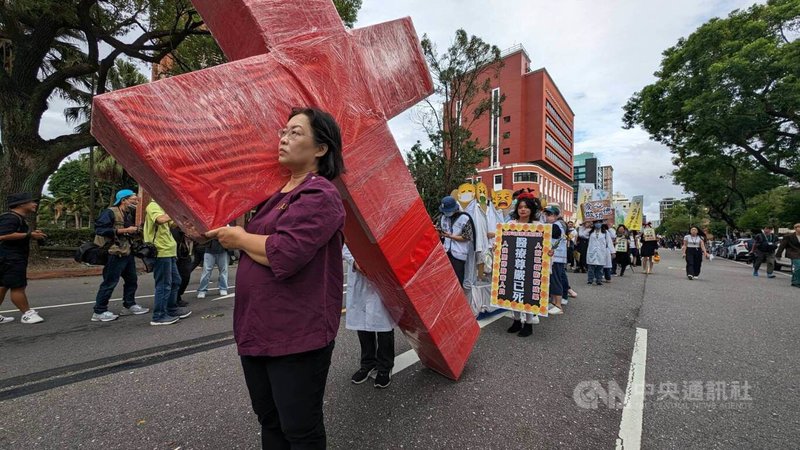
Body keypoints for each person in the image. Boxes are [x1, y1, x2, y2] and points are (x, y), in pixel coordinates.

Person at [206, 107, 346, 449]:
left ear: (321, 149)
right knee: (269, 420)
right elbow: (265, 247)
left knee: (299, 428)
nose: (284, 139)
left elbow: (285, 252)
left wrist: (239, 238)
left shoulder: (321, 195)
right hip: (257, 328)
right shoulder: (273, 196)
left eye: (295, 132)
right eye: (282, 132)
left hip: (297, 334)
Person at [91, 189, 149, 322]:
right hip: (114, 253)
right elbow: (100, 230)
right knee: (110, 282)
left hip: (126, 251)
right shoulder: (110, 212)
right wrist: (124, 230)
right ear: (124, 200)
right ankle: (99, 311)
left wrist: (134, 231)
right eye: (133, 199)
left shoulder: (127, 213)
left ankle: (129, 305)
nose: (136, 201)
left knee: (132, 280)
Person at [343, 245, 395, 388]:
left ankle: (385, 366)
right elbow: (343, 244)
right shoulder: (350, 223)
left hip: (382, 274)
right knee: (362, 324)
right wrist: (354, 261)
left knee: (384, 324)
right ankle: (368, 364)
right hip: (360, 276)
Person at [144, 200, 192, 325]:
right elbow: (160, 219)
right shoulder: (153, 206)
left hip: (169, 251)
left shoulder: (162, 207)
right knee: (164, 284)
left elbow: (171, 224)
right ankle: (158, 316)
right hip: (160, 252)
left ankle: (171, 308)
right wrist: (174, 211)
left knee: (176, 281)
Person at [0, 193, 46, 324]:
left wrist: (31, 234)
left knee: (3, 285)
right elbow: (3, 235)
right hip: (11, 258)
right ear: (21, 204)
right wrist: (29, 235)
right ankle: (27, 314)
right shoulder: (11, 218)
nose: (35, 204)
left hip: (6, 257)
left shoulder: (16, 218)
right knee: (17, 286)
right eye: (32, 202)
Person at [505, 195, 542, 337]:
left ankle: (528, 323)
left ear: (531, 209)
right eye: (520, 207)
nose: (523, 209)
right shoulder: (510, 224)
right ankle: (516, 320)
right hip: (514, 263)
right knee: (513, 291)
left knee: (527, 293)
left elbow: (545, 246)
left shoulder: (538, 226)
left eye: (526, 207)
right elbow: (503, 241)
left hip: (530, 264)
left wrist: (549, 251)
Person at [439, 196, 473, 287]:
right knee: (446, 280)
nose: (447, 213)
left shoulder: (464, 218)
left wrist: (450, 236)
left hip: (459, 255)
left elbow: (467, 237)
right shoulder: (443, 218)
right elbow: (441, 232)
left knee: (457, 281)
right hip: (446, 253)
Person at [581, 220, 614, 285]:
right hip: (592, 251)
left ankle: (599, 280)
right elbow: (581, 234)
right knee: (591, 267)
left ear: (602, 223)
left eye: (599, 222)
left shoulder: (605, 232)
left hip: (601, 252)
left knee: (600, 267)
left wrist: (612, 252)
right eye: (596, 222)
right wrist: (584, 226)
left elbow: (610, 241)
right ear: (593, 223)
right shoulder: (590, 232)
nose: (598, 224)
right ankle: (590, 280)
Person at [776, 223, 800, 288]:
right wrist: (778, 255)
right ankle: (796, 282)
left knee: (795, 267)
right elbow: (782, 246)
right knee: (798, 266)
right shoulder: (788, 236)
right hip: (793, 253)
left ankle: (795, 280)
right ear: (795, 228)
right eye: (799, 227)